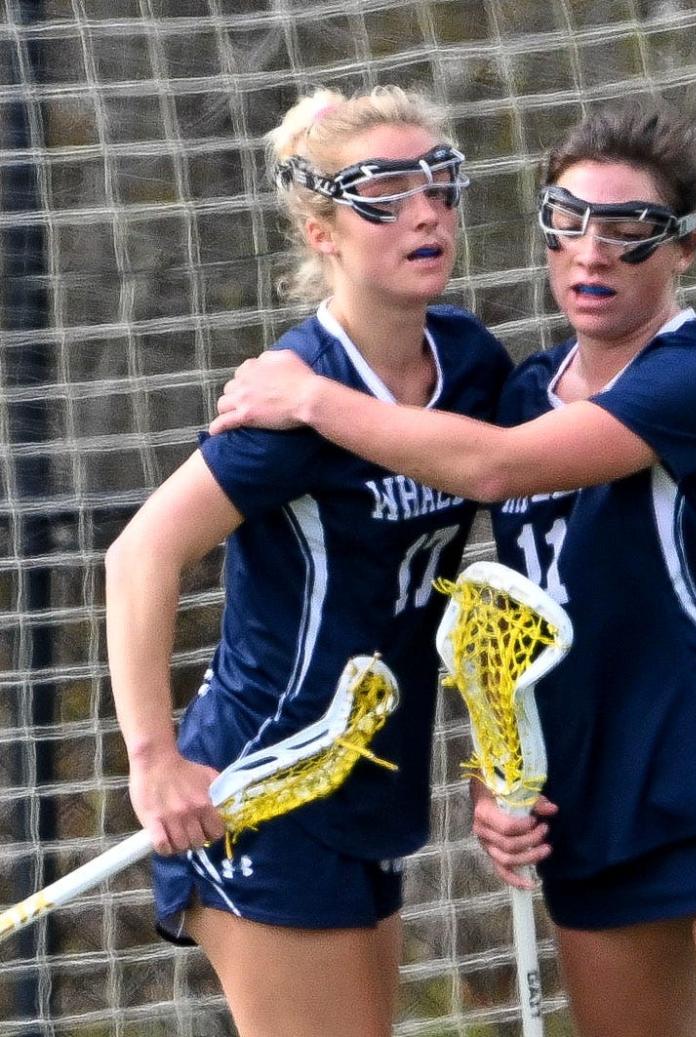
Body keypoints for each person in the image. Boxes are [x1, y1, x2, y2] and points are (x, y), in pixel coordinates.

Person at [208, 99, 696, 1037]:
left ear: (684, 249)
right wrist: (493, 773)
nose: (593, 254)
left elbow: (493, 467)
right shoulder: (518, 391)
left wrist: (311, 395)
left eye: (631, 231)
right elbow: (509, 618)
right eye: (568, 222)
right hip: (596, 814)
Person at [105, 84, 511, 1037]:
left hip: (369, 778)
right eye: (385, 192)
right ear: (322, 231)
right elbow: (138, 556)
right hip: (262, 784)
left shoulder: (473, 367)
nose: (426, 212)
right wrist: (154, 760)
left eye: (440, 186)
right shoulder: (289, 402)